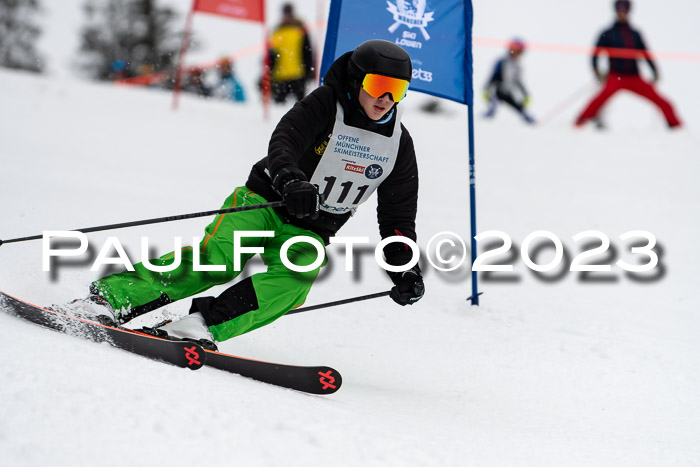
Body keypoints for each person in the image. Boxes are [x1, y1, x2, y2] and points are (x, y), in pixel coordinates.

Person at [62, 40, 425, 350]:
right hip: (263, 201)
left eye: (398, 89)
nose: (386, 98)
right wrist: (291, 180)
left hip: (311, 230)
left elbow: (397, 218)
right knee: (219, 260)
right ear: (357, 79)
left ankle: (201, 326)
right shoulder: (327, 104)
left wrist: (404, 268)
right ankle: (107, 299)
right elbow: (285, 141)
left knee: (295, 282)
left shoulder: (398, 144)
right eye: (378, 85)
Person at [574, 0, 682, 129]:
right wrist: (596, 70)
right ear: (615, 11)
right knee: (598, 100)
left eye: (625, 10)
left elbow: (646, 53)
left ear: (629, 11)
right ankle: (579, 122)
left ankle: (676, 127)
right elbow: (595, 54)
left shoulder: (635, 34)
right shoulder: (608, 33)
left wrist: (654, 70)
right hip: (615, 77)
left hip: (634, 78)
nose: (622, 13)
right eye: (620, 10)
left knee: (665, 103)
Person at [268, 3, 314, 103]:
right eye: (285, 13)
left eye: (288, 13)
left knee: (301, 106)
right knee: (279, 107)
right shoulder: (277, 31)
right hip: (280, 76)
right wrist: (269, 70)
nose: (287, 16)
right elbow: (271, 53)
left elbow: (308, 51)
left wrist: (309, 71)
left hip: (298, 74)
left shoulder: (300, 30)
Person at [482, 38, 535, 124]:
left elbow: (518, 81)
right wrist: (486, 89)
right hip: (497, 90)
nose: (519, 55)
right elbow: (493, 76)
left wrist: (525, 94)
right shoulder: (502, 62)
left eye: (521, 52)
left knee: (520, 108)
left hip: (507, 92)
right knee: (492, 108)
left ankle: (530, 121)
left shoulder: (517, 66)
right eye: (518, 51)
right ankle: (483, 122)